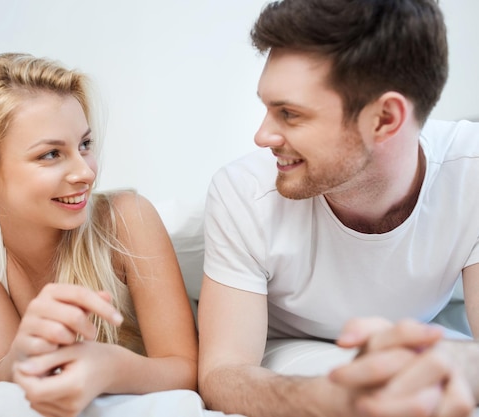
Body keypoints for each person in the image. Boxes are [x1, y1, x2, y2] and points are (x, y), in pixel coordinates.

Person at [197, 1, 479, 416]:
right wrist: (328, 402)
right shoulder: (242, 192)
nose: (262, 136)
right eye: (268, 108)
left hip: (413, 322)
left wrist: (451, 364)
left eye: (289, 114)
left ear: (384, 118)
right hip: (275, 331)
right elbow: (222, 372)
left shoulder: (470, 172)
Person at [0, 52, 198, 417]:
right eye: (50, 154)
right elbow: (1, 371)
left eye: (85, 145)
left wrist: (110, 367)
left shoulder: (129, 218)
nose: (85, 173)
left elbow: (186, 369)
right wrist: (25, 352)